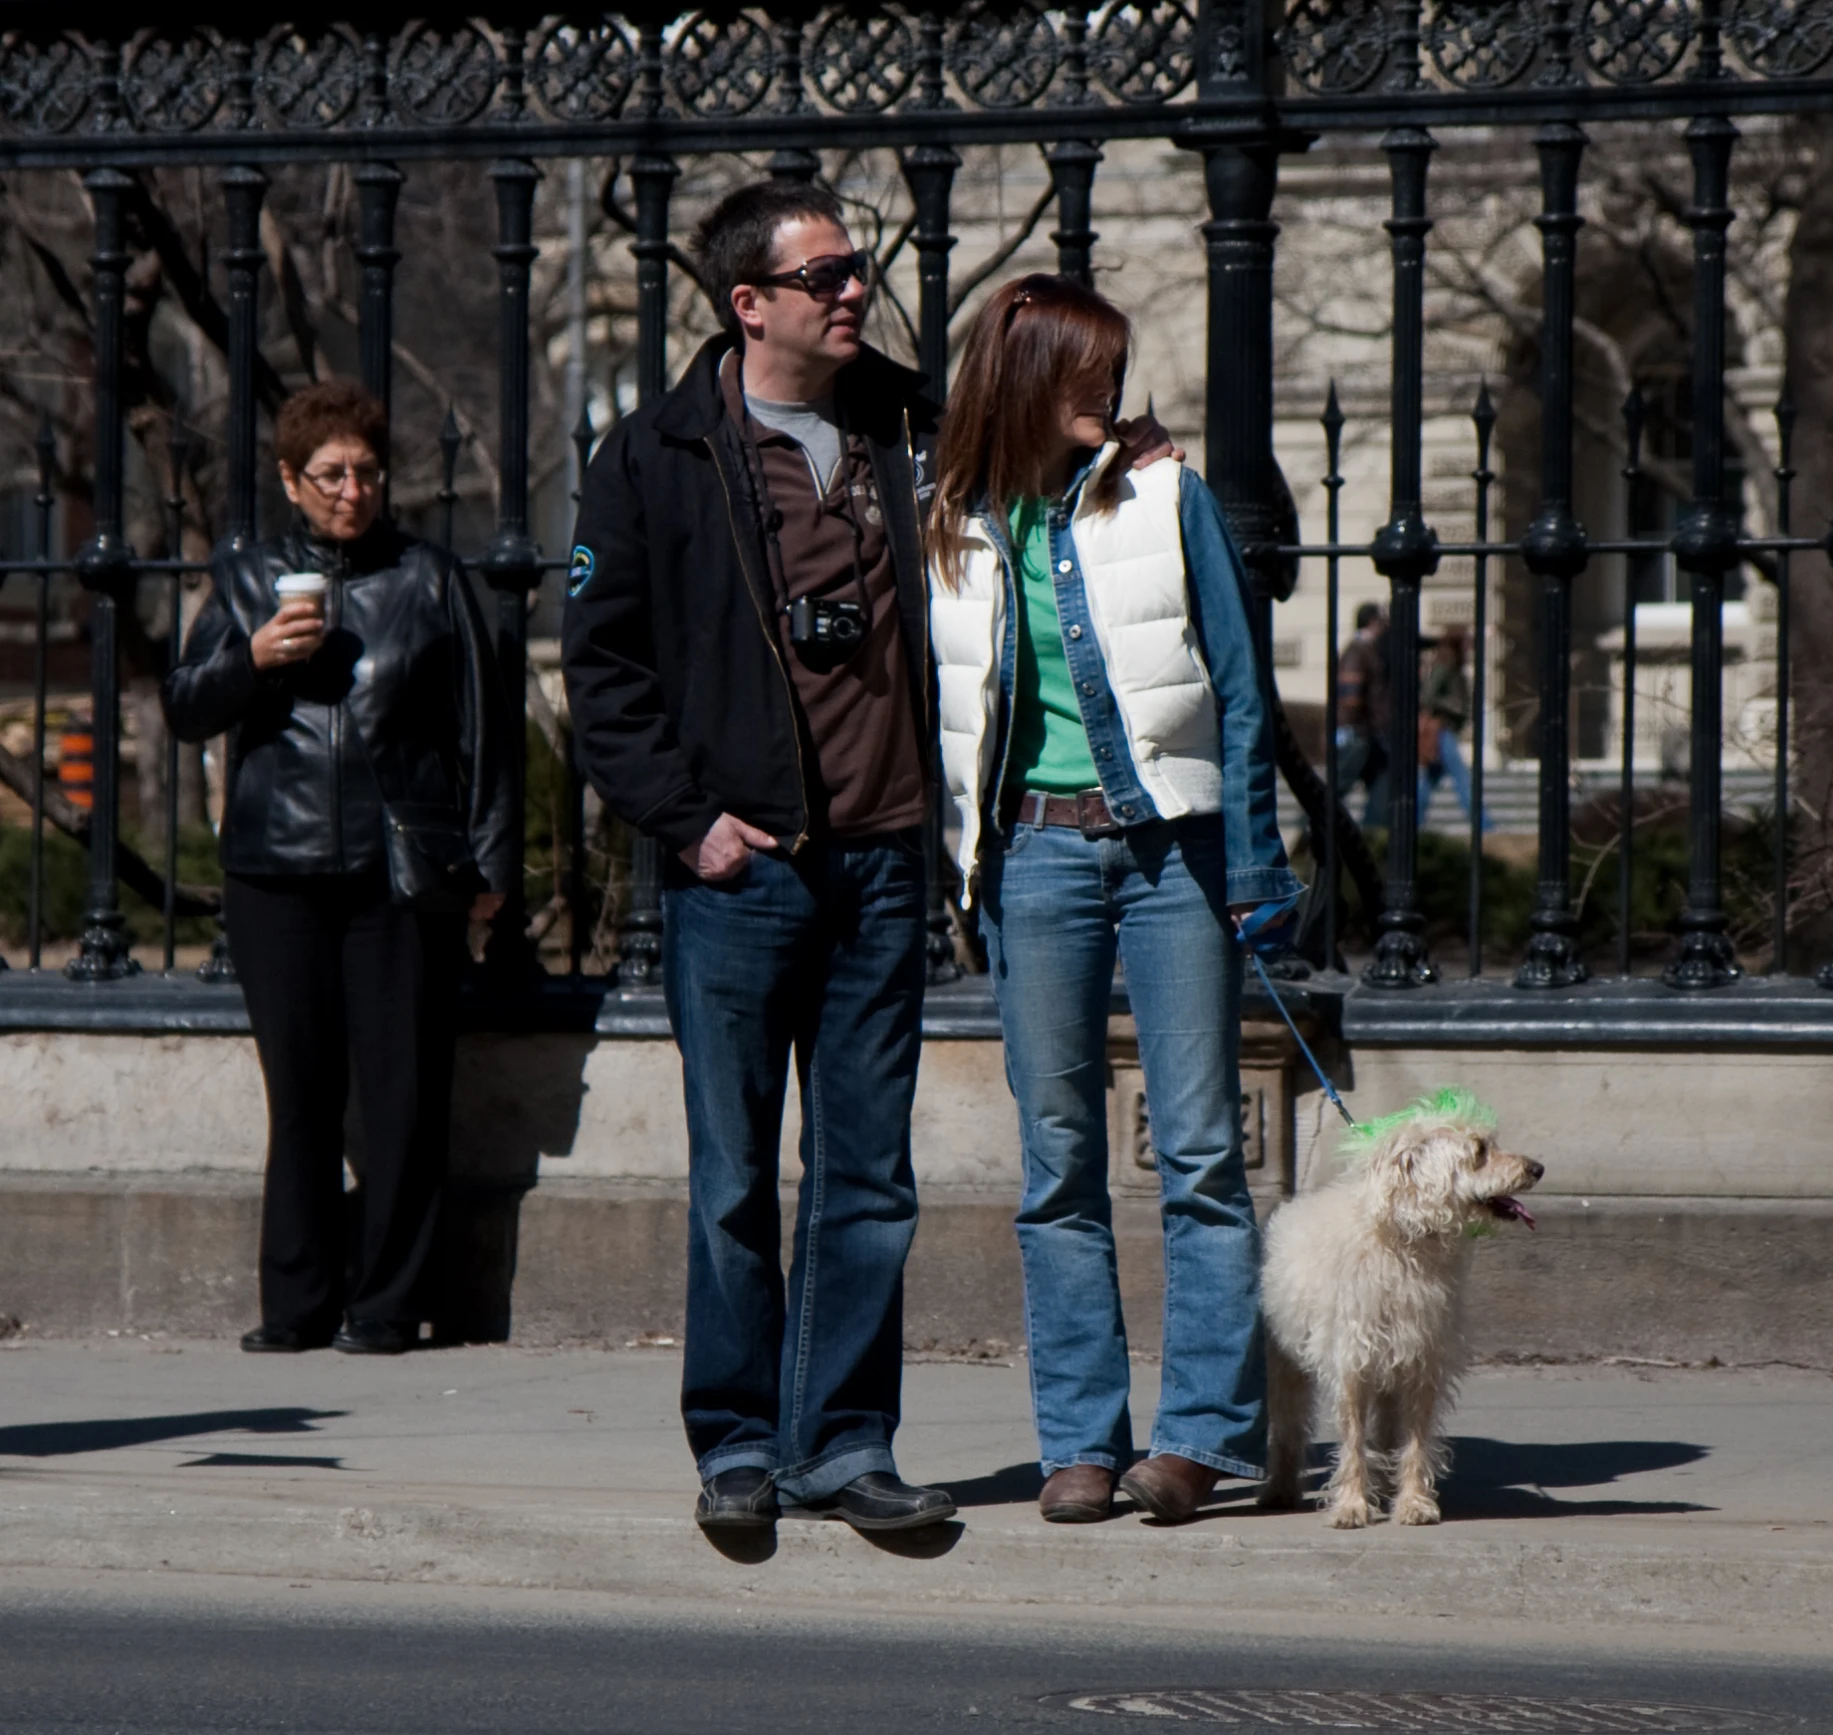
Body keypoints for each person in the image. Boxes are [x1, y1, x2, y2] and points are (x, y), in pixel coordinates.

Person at [561, 183, 1171, 1536]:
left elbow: (1059, 480)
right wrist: (692, 820)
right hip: (738, 874)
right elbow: (602, 674)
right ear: (749, 303)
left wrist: (1130, 441)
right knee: (733, 1177)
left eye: (858, 268)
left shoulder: (910, 425)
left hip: (883, 863)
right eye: (825, 272)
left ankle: (842, 1444)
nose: (854, 290)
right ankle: (737, 1446)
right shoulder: (654, 453)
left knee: (869, 1178)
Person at [928, 274, 1301, 1526]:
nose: (1112, 389)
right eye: (1088, 369)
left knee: (1200, 1151)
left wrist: (1254, 865)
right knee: (1059, 1162)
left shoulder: (1165, 496)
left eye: (1116, 367)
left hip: (1173, 857)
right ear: (1026, 375)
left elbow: (1241, 689)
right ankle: (1079, 1444)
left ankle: (1199, 1437)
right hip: (1032, 859)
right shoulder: (945, 518)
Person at [164, 380, 511, 1357]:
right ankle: (296, 1304)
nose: (352, 491)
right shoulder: (243, 575)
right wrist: (256, 658)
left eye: (365, 471)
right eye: (330, 475)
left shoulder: (429, 577)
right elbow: (185, 704)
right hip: (277, 871)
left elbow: (480, 728)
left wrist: (488, 864)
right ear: (290, 480)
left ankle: (391, 1305)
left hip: (399, 872)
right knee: (302, 1093)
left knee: (401, 1093)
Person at [1415, 625, 1494, 833]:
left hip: (1447, 729)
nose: (1469, 647)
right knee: (1462, 778)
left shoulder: (1453, 663)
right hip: (1442, 730)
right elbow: (1427, 696)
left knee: (1429, 782)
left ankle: (1413, 821)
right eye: (1466, 641)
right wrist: (1453, 706)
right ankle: (1484, 825)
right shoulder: (1445, 663)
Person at [1335, 600, 1389, 822]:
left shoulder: (1367, 650)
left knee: (1381, 786)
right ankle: (1307, 829)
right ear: (1372, 622)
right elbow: (1350, 693)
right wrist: (1355, 726)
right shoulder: (1358, 651)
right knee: (1339, 785)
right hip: (1358, 733)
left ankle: (1372, 836)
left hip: (1368, 732)